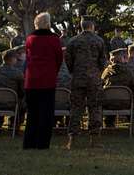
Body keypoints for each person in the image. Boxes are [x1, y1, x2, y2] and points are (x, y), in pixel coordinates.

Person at [23, 11, 63, 150]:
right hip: (47, 80)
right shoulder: (54, 39)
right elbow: (59, 58)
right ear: (48, 23)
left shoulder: (30, 39)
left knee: (32, 113)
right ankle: (42, 143)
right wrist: (53, 71)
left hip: (31, 80)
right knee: (46, 114)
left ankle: (29, 142)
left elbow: (27, 59)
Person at [66, 17, 107, 148]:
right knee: (94, 108)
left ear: (81, 26)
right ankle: (94, 139)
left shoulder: (73, 41)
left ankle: (72, 140)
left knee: (76, 108)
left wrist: (75, 71)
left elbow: (68, 61)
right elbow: (103, 62)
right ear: (92, 26)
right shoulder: (99, 41)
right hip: (93, 79)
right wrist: (96, 72)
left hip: (78, 79)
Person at [0, 48, 25, 130]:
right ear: (12, 59)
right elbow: (22, 91)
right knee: (23, 103)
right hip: (11, 104)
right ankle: (14, 125)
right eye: (16, 58)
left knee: (0, 98)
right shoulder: (17, 73)